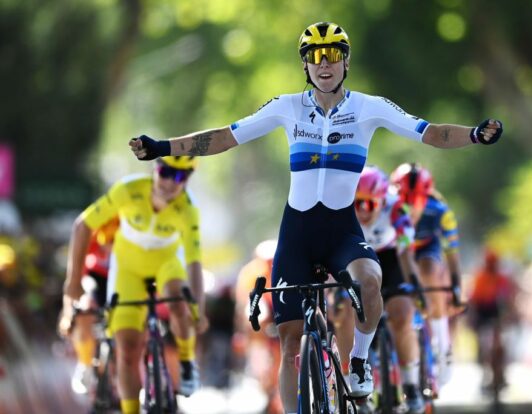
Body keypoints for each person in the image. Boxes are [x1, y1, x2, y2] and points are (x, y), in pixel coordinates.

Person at [128, 21, 503, 413]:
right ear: (305, 66)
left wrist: (475, 134)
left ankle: (358, 359)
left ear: (346, 62)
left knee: (371, 282)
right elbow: (224, 136)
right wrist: (163, 147)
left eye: (333, 55)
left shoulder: (367, 108)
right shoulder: (287, 107)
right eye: (316, 57)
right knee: (290, 341)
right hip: (298, 234)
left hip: (342, 231)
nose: (325, 64)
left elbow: (431, 132)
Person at [62, 156, 208, 414]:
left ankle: (187, 363)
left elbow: (194, 263)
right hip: (128, 269)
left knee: (179, 300)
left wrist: (198, 309)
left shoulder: (188, 209)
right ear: (155, 168)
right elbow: (82, 225)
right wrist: (72, 282)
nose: (169, 182)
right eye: (165, 171)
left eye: (179, 176)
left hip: (166, 265)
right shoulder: (128, 190)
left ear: (187, 181)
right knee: (127, 350)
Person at [333, 165, 427, 413]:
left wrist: (415, 288)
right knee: (343, 316)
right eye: (358, 203)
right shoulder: (342, 209)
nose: (363, 210)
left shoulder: (397, 209)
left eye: (370, 204)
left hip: (390, 258)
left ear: (383, 200)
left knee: (402, 314)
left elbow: (406, 256)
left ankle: (410, 384)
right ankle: (351, 382)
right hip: (356, 259)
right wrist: (335, 293)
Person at [390, 162, 464, 387]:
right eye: (405, 199)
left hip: (426, 249)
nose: (411, 207)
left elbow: (452, 255)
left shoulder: (441, 213)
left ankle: (443, 343)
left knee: (429, 270)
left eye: (417, 200)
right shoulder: (390, 207)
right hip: (398, 247)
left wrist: (456, 287)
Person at [58, 216, 119, 395]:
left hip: (124, 281)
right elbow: (75, 284)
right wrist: (69, 313)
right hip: (97, 281)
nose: (110, 244)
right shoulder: (91, 240)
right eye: (107, 240)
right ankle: (85, 363)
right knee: (84, 308)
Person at [233, 239, 282, 414]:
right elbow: (245, 305)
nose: (270, 265)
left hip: (280, 309)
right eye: (266, 261)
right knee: (258, 317)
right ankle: (259, 361)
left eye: (273, 260)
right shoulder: (250, 273)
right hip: (260, 309)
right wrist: (245, 333)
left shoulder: (285, 268)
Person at [468, 248, 516, 393]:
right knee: (483, 345)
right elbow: (474, 301)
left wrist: (509, 315)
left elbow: (509, 300)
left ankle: (501, 373)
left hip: (497, 314)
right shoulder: (480, 278)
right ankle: (485, 372)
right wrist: (473, 318)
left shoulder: (502, 279)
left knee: (500, 343)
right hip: (484, 315)